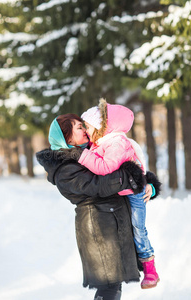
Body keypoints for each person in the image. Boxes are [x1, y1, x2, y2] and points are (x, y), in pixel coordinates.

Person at [36, 113, 160, 300]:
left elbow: (121, 166)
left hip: (114, 224)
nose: (85, 130)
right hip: (99, 230)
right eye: (79, 127)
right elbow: (99, 185)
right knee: (109, 287)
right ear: (66, 137)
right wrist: (131, 177)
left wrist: (146, 184)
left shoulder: (92, 152)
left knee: (114, 286)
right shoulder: (64, 168)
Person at [75, 99, 160, 289]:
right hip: (120, 192)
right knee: (126, 229)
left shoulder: (116, 143)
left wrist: (81, 156)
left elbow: (106, 167)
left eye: (87, 126)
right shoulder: (99, 143)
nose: (86, 131)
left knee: (138, 228)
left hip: (134, 193)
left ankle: (150, 269)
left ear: (99, 127)